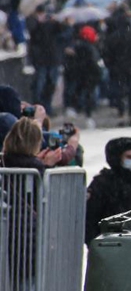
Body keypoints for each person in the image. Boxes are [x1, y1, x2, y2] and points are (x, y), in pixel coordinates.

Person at [1, 118, 62, 289]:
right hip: (28, 246)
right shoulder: (36, 171)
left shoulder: (4, 163)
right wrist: (45, 166)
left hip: (8, 242)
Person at [85, 137, 131, 245]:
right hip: (110, 245)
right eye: (130, 157)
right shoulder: (102, 184)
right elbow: (89, 220)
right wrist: (97, 244)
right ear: (118, 158)